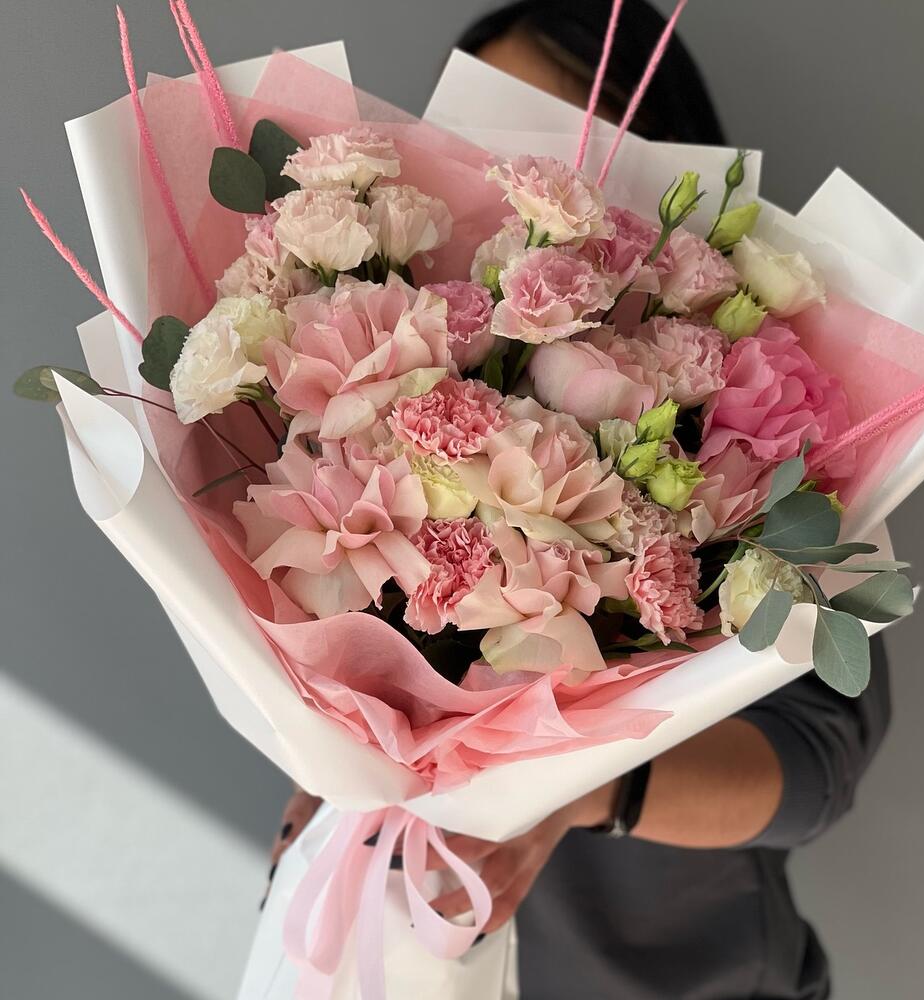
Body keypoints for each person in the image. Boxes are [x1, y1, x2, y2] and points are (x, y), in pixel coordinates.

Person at [270, 4, 892, 997]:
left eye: (554, 135)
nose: (518, 171)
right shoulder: (397, 364)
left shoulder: (752, 409)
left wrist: (580, 790)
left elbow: (819, 760)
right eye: (478, 128)